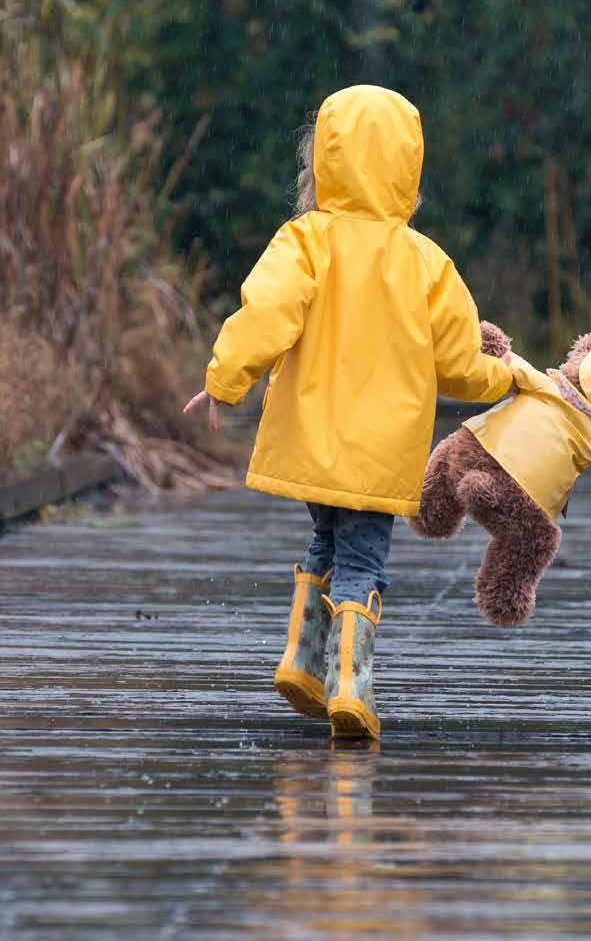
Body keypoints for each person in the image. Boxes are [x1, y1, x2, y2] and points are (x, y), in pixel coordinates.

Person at [184, 84, 513, 739]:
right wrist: (503, 377)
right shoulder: (426, 262)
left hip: (311, 439)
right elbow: (457, 364)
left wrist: (226, 378)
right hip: (379, 450)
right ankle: (350, 686)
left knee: (325, 538)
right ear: (406, 171)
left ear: (324, 162)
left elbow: (266, 314)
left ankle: (301, 661)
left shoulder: (305, 240)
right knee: (364, 558)